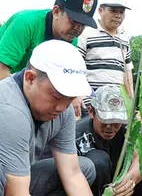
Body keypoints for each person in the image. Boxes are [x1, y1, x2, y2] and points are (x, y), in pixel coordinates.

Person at [0, 40, 97, 196]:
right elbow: (16, 192)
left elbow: (72, 175)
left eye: (70, 98)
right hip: (8, 183)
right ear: (30, 78)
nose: (62, 107)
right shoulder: (9, 108)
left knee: (84, 168)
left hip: (17, 179)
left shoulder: (64, 111)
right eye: (57, 96)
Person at [0, 0, 98, 80]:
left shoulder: (70, 37)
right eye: (74, 21)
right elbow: (1, 70)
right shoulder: (26, 23)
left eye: (84, 24)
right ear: (56, 12)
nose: (78, 29)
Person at [76, 85, 142, 196]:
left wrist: (130, 180)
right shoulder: (77, 133)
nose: (110, 127)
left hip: (121, 179)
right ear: (91, 112)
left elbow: (139, 157)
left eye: (116, 120)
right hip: (92, 186)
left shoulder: (131, 127)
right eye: (105, 120)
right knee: (98, 160)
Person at [75, 0, 134, 118]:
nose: (118, 15)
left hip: (118, 103)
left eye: (122, 12)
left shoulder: (124, 37)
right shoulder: (86, 33)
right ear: (100, 11)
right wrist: (77, 96)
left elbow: (127, 71)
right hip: (92, 103)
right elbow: (75, 66)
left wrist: (131, 99)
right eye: (113, 11)